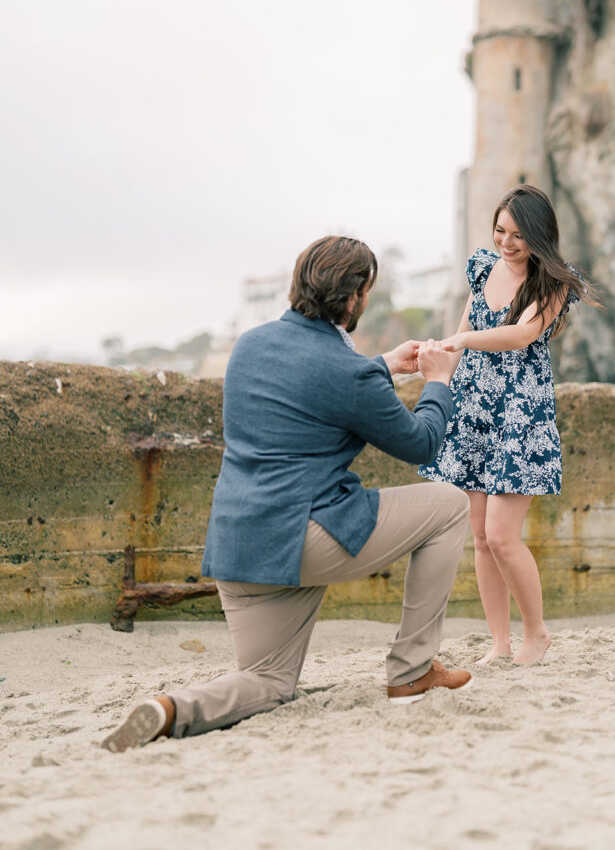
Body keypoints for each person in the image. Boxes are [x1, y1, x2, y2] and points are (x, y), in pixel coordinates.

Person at [102, 236, 472, 752]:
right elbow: (421, 444)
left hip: (238, 547)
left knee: (268, 682)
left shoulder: (250, 346)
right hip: (305, 539)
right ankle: (411, 671)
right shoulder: (350, 373)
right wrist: (437, 381)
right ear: (353, 299)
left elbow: (311, 385)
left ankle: (171, 710)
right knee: (450, 505)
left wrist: (383, 365)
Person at [419, 185, 598, 666]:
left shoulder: (554, 282)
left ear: (538, 235)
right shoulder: (481, 266)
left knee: (501, 535)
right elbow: (461, 337)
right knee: (479, 537)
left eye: (518, 234)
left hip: (520, 412)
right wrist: (439, 383)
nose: (507, 242)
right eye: (500, 231)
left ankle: (536, 633)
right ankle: (499, 643)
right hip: (473, 407)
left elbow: (521, 335)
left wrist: (461, 338)